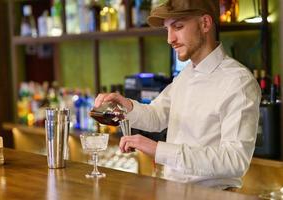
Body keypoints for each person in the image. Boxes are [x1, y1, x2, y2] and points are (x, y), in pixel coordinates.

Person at [94, 0, 261, 190]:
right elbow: (157, 116)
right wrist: (126, 106)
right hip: (174, 191)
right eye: (167, 29)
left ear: (205, 23)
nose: (170, 39)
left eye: (178, 27)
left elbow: (235, 160)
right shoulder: (186, 74)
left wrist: (159, 150)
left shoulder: (238, 82)